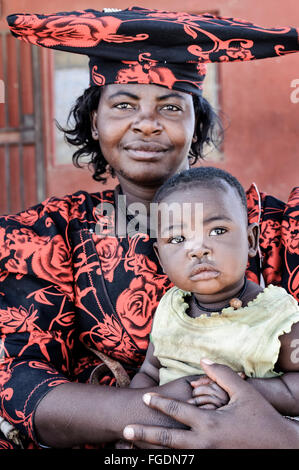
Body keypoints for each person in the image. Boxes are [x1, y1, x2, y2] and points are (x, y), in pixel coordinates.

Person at [0, 7, 298, 449]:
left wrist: (275, 436)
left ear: (196, 124)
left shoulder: (276, 229)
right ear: (95, 121)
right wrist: (152, 409)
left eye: (171, 106)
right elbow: (16, 374)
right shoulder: (45, 235)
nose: (146, 122)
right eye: (123, 104)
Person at [128, 166, 299, 418]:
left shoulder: (278, 317)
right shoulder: (170, 309)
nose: (198, 249)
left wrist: (240, 390)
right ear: (161, 259)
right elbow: (149, 372)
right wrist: (138, 411)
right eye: (177, 239)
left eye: (217, 231)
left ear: (251, 241)